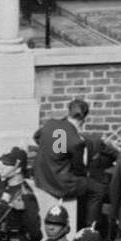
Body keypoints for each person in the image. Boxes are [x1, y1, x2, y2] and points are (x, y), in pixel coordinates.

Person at [34, 98, 99, 232]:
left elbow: (37, 137)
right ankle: (88, 228)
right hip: (59, 184)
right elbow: (78, 169)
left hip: (41, 176)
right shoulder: (76, 141)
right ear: (83, 119)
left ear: (68, 112)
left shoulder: (50, 124)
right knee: (96, 189)